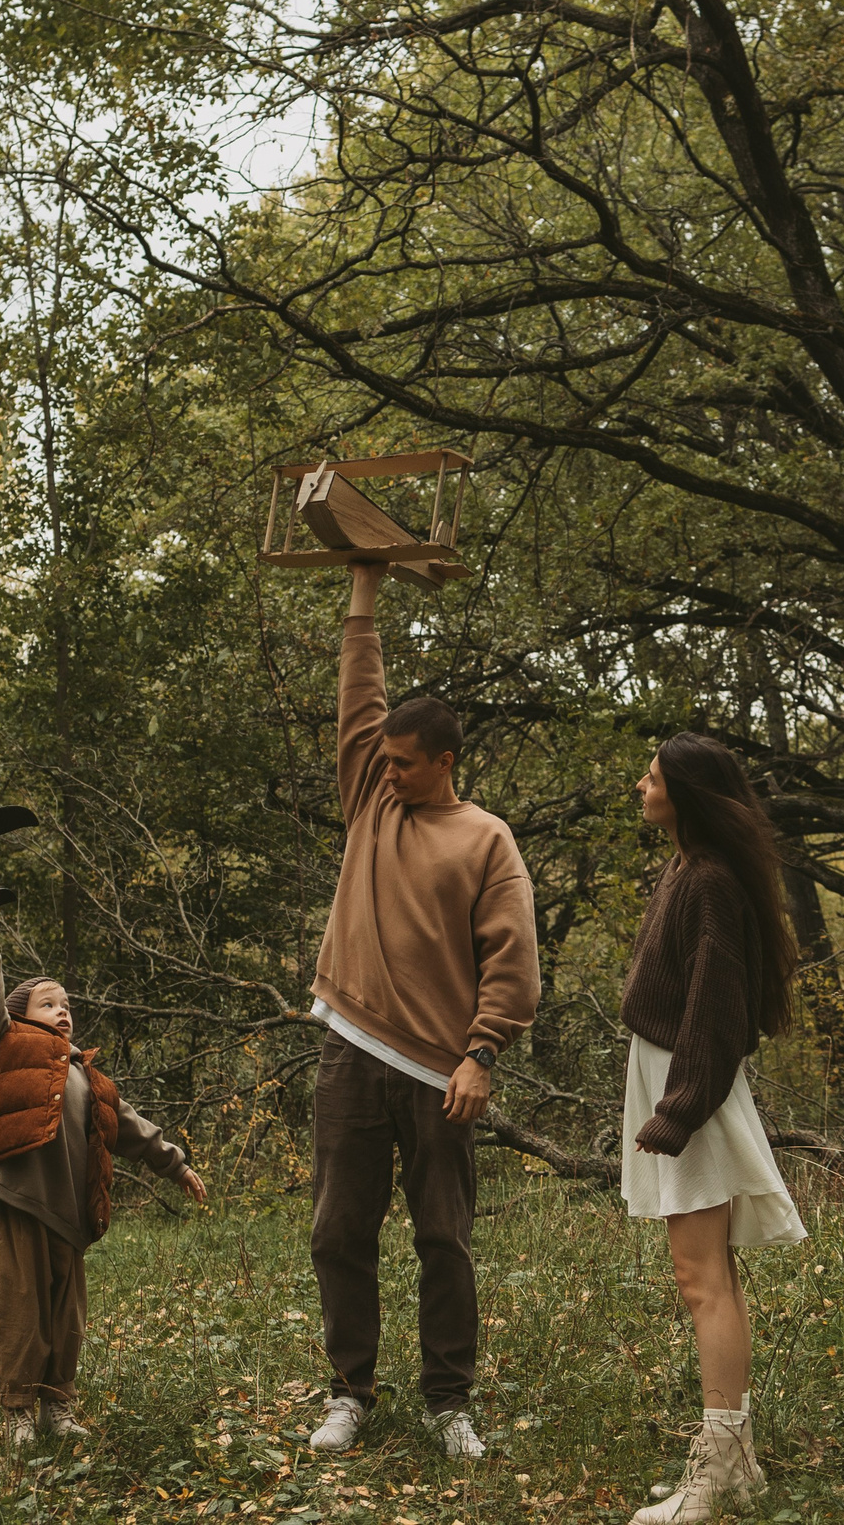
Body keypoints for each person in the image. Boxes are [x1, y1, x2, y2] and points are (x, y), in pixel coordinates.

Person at [303, 560, 540, 1462]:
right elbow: (359, 701)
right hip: (350, 1051)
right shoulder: (371, 799)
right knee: (338, 1231)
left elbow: (511, 959)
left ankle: (449, 1403)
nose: (389, 770)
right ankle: (349, 1393)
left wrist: (483, 1054)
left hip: (441, 1069)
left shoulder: (486, 838)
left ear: (446, 761)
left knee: (444, 1237)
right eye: (385, 760)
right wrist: (364, 590)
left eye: (405, 762)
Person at [620, 732, 809, 1523]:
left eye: (652, 778)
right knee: (712, 1275)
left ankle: (720, 1469)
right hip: (674, 1075)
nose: (640, 786)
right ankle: (737, 1463)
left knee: (702, 1279)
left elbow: (718, 1008)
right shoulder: (688, 867)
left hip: (689, 1083)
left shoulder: (708, 880)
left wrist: (679, 1109)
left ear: (686, 793)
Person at [0, 909, 207, 1457]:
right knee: (21, 1308)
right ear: (19, 1016)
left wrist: (175, 1163)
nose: (62, 1011)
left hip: (71, 1214)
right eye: (48, 1004)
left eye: (67, 1005)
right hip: (24, 1198)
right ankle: (17, 1408)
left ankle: (56, 1403)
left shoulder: (87, 1076)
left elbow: (129, 1126)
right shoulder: (6, 1044)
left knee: (66, 1316)